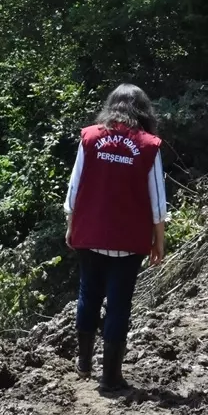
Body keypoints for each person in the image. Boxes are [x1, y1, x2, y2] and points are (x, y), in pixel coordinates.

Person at [64, 84, 168, 391]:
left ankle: (84, 362)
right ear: (144, 110)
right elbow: (158, 201)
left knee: (88, 295)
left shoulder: (90, 137)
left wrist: (71, 224)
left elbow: (74, 187)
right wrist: (159, 241)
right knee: (119, 304)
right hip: (128, 237)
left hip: (90, 231)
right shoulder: (149, 145)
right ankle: (111, 377)